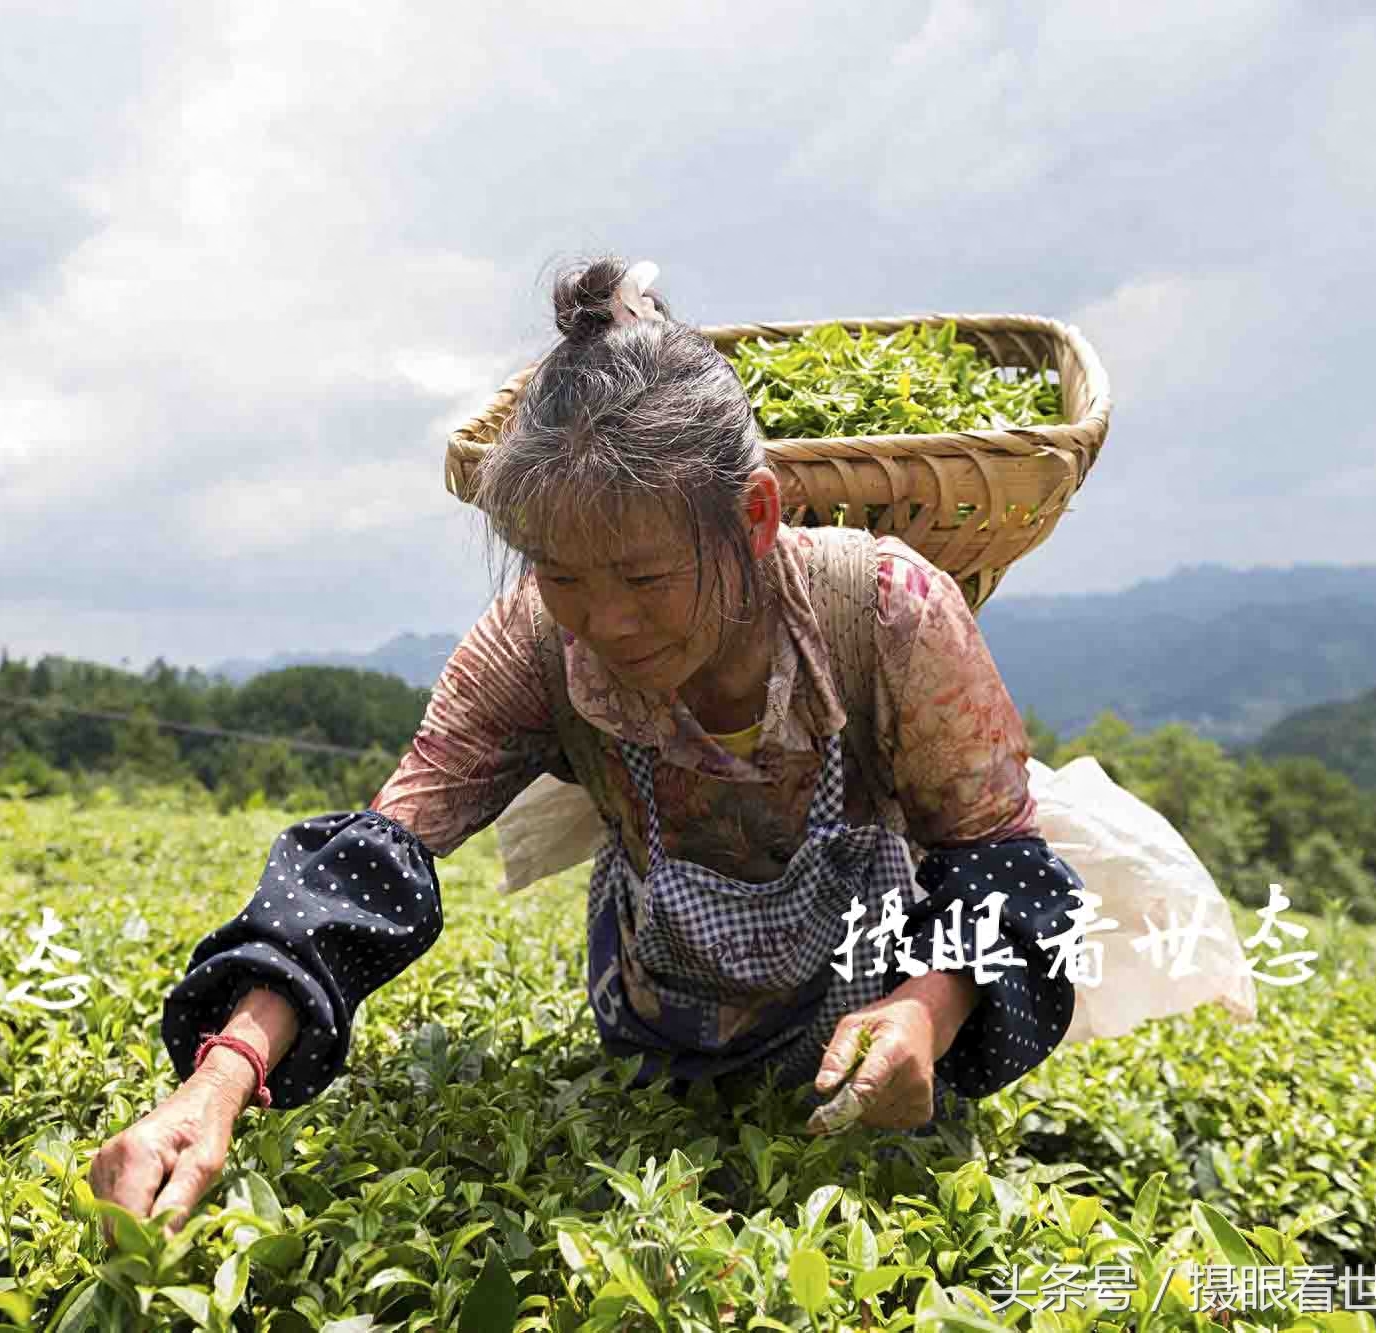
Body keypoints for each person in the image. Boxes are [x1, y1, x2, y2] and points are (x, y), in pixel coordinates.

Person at [90, 256, 1085, 1231]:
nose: (603, 622)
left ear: (752, 517)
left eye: (644, 578)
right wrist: (223, 1077)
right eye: (563, 574)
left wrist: (929, 1007)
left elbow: (1003, 868)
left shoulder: (883, 612)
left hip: (878, 1003)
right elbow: (377, 861)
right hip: (663, 1021)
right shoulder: (532, 640)